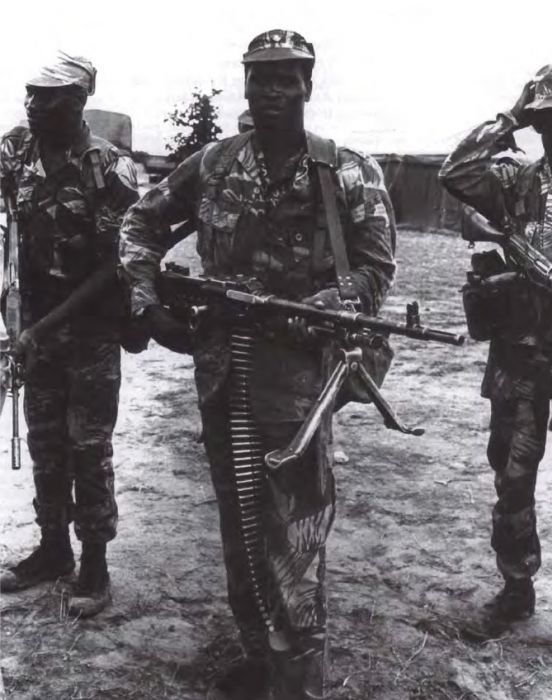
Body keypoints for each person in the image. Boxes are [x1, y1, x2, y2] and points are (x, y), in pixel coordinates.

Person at [120, 29, 396, 700]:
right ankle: (259, 654)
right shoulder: (213, 164)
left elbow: (377, 263)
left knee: (295, 532)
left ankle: (300, 676)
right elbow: (139, 224)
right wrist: (145, 302)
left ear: (308, 83)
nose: (272, 91)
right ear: (245, 84)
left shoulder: (345, 170)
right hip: (222, 366)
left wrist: (337, 297)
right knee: (241, 521)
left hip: (299, 379)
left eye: (286, 79)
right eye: (260, 78)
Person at [0, 52, 140, 618]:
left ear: (77, 102)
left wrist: (42, 327)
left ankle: (96, 567)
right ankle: (52, 549)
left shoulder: (110, 169)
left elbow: (116, 268)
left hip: (89, 330)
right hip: (34, 328)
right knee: (45, 442)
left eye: (46, 97)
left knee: (88, 447)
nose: (31, 104)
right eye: (29, 94)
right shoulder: (15, 151)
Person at [439, 63, 552, 624]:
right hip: (518, 355)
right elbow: (455, 170)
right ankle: (517, 586)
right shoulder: (515, 178)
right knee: (513, 478)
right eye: (548, 120)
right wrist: (510, 117)